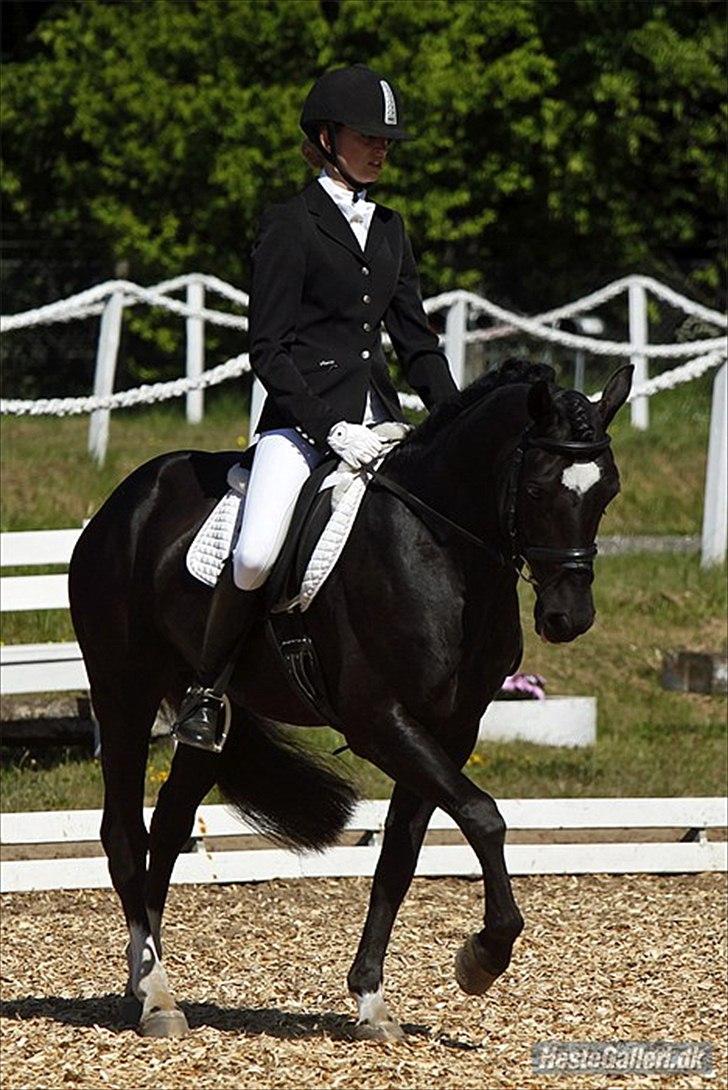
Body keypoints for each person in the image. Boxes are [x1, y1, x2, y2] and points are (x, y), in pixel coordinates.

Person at [173, 64, 458, 750]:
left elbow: (416, 345)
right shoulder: (289, 225)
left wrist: (456, 421)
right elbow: (268, 350)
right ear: (327, 138)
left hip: (379, 420)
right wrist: (328, 426)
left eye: (386, 140)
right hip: (302, 425)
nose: (381, 149)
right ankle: (206, 691)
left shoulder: (389, 229)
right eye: (367, 136)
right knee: (254, 554)